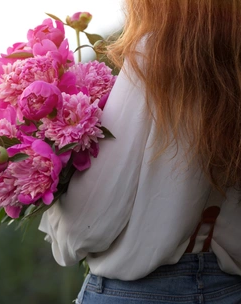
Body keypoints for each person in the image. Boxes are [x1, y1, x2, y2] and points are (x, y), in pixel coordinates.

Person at [39, 0, 241, 303]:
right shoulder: (234, 61)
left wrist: (59, 229)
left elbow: (92, 220)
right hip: (227, 289)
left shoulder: (156, 52)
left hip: (143, 291)